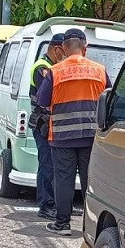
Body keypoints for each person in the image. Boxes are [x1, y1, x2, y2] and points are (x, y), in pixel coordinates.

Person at [35, 28, 111, 236]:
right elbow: (110, 100)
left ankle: (62, 224)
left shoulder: (55, 71)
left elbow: (42, 101)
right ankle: (91, 228)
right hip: (91, 137)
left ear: (65, 48)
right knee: (90, 181)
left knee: (64, 180)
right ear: (85, 48)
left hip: (62, 137)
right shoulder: (99, 70)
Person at [28, 32, 66, 219]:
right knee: (47, 165)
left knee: (56, 167)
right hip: (43, 124)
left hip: (52, 125)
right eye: (65, 52)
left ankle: (56, 204)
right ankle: (45, 205)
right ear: (57, 50)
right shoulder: (42, 68)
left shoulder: (51, 66)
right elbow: (49, 96)